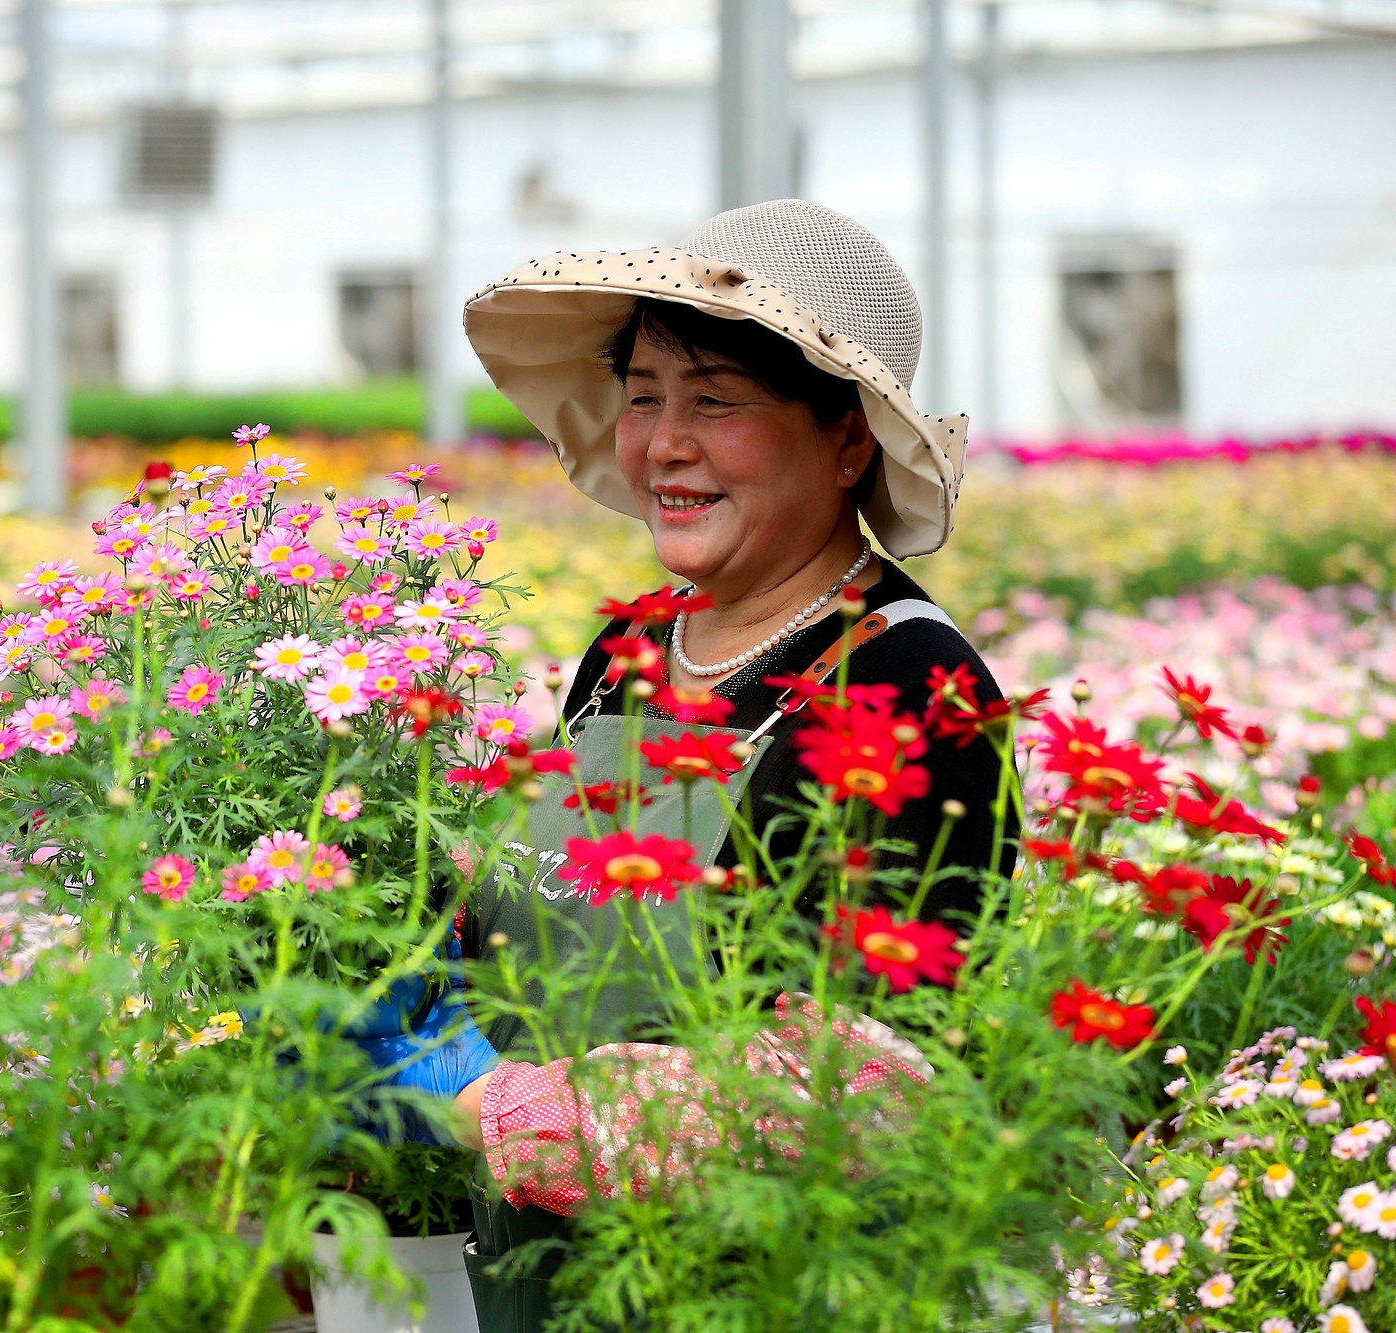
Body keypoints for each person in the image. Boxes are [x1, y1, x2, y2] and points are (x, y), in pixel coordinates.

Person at [348, 199, 1018, 1332]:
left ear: (847, 434)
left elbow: (838, 1087)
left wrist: (475, 1100)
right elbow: (554, 909)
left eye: (714, 401)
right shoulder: (630, 647)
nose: (662, 442)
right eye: (644, 396)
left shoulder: (907, 691)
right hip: (539, 1281)